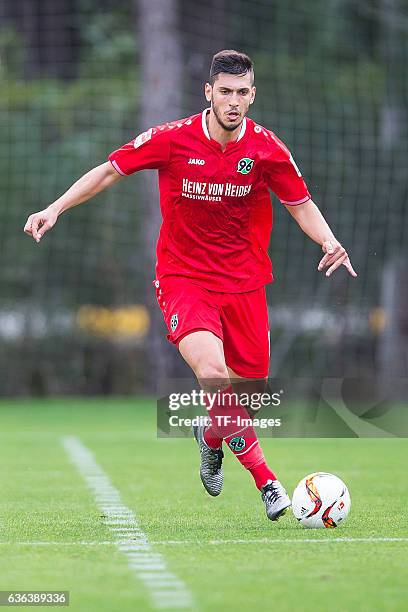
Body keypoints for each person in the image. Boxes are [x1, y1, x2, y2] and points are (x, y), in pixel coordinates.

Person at [24, 50, 357, 522]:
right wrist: (55, 207)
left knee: (245, 401)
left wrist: (328, 240)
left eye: (243, 93)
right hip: (184, 279)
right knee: (212, 372)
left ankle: (209, 436)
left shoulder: (267, 149)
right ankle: (269, 485)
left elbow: (299, 202)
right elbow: (108, 170)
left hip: (244, 283)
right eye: (226, 91)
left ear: (253, 95)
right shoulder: (172, 139)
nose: (234, 101)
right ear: (209, 92)